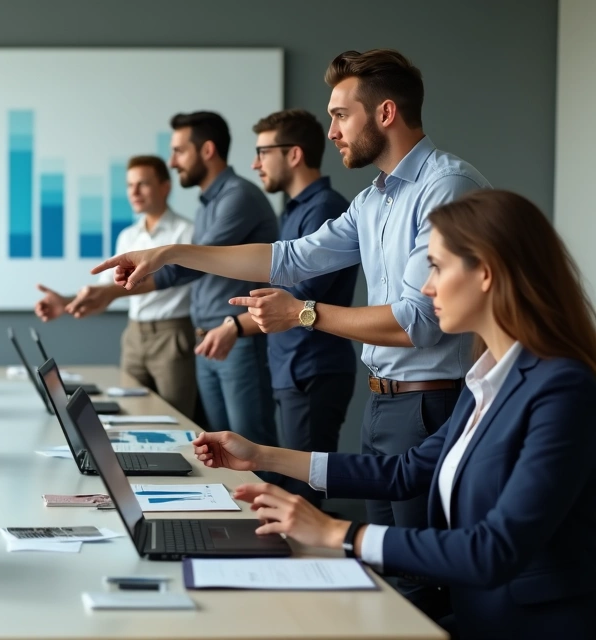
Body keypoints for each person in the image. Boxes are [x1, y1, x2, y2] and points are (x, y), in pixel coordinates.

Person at [92, 50, 490, 615]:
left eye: (341, 115)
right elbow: (290, 258)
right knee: (389, 578)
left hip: (432, 403)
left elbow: (418, 322)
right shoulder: (375, 198)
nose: (332, 132)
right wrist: (172, 252)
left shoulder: (444, 186)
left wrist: (304, 313)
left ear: (385, 113)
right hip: (384, 402)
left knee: (422, 584)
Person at [190, 190, 596, 638]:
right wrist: (262, 456)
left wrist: (338, 533)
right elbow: (405, 473)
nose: (426, 286)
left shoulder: (562, 389)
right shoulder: (485, 377)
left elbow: (493, 550)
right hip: (478, 616)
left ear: (485, 272)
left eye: (436, 267)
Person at [71, 112, 279, 447]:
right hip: (207, 337)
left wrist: (114, 292)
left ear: (207, 150)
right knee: (224, 447)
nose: (172, 161)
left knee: (250, 446)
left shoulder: (238, 197)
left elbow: (191, 265)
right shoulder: (208, 204)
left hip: (237, 339)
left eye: (179, 151)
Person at [243, 109, 359, 507]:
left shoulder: (324, 208)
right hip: (292, 367)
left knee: (303, 496)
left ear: (293, 154)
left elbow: (302, 292)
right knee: (293, 488)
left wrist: (235, 325)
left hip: (312, 369)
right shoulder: (293, 209)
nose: (255, 163)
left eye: (263, 152)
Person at [33, 155, 198, 419]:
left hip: (172, 335)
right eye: (130, 185)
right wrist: (65, 302)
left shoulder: (186, 232)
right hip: (133, 336)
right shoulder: (128, 236)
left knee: (177, 416)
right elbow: (107, 290)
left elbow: (176, 277)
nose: (134, 192)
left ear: (165, 187)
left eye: (143, 184)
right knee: (129, 411)